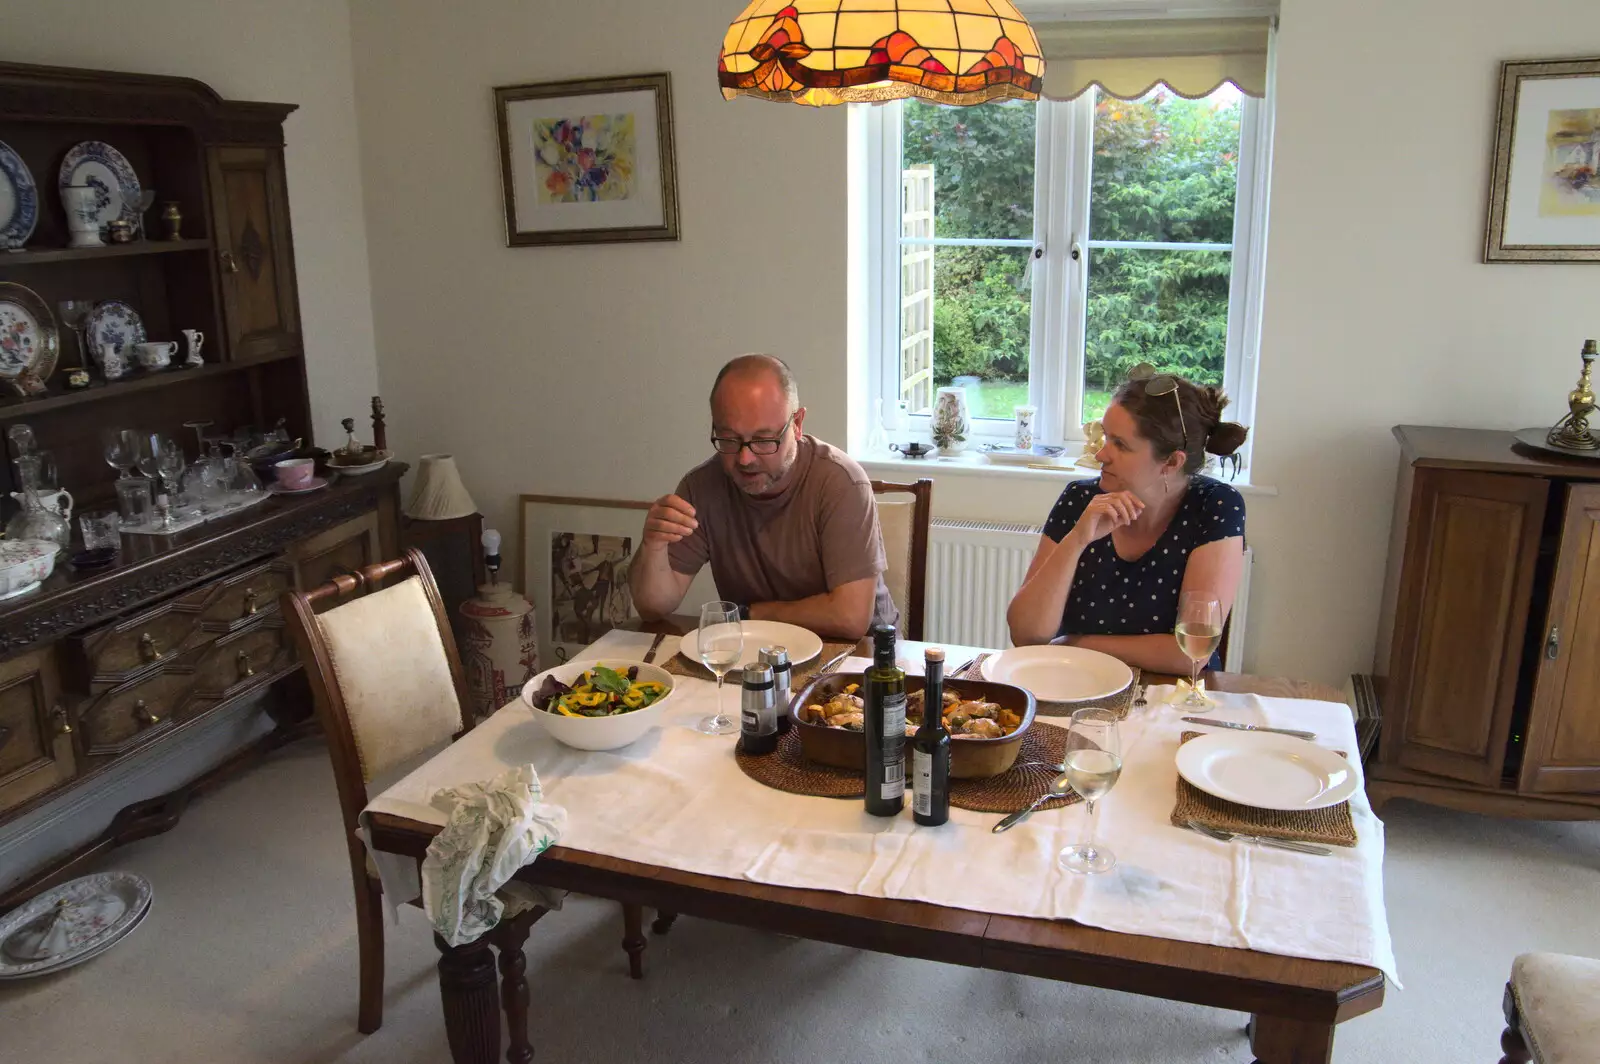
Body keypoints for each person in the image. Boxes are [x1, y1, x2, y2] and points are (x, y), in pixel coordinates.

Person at [629, 354, 897, 641]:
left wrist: (750, 614)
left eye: (763, 440)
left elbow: (850, 618)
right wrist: (653, 546)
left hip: (860, 659)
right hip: (756, 655)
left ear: (797, 423)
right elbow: (652, 608)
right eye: (729, 439)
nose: (745, 459)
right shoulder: (702, 487)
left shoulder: (840, 483)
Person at [1006, 371, 1250, 673]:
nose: (1101, 454)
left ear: (1172, 462)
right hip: (1078, 685)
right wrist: (1077, 539)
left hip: (1172, 698)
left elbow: (1190, 653)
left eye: (1120, 444)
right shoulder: (1080, 499)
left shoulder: (1215, 506)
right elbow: (1026, 635)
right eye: (1106, 436)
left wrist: (1076, 644)